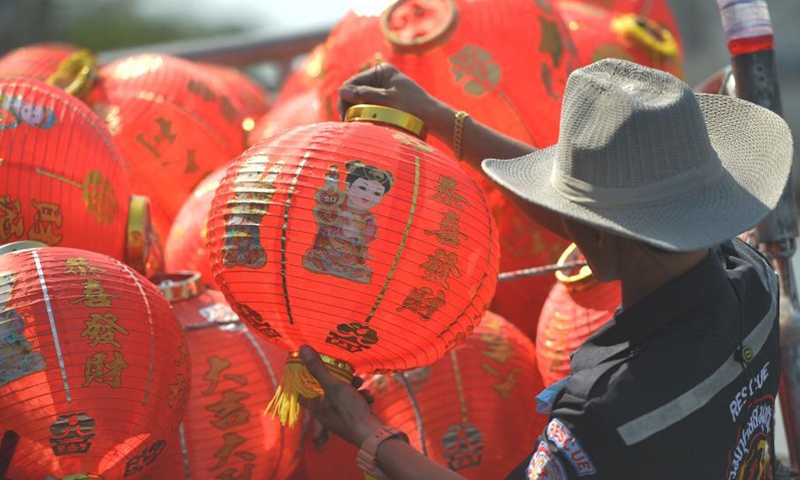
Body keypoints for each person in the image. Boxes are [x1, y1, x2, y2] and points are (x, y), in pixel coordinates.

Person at [298, 58, 794, 479]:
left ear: (594, 231)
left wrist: (366, 432)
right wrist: (440, 116)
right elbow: (608, 229)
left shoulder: (603, 414)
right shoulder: (752, 277)